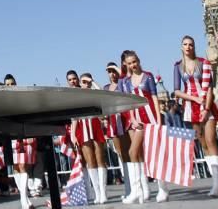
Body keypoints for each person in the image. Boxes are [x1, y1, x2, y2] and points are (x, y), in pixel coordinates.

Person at [173, 35, 218, 197]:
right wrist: (194, 99)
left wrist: (206, 107)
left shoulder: (203, 62)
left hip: (206, 104)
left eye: (191, 44)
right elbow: (177, 90)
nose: (188, 47)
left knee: (210, 139)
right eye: (185, 44)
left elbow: (208, 88)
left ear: (194, 46)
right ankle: (216, 180)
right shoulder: (178, 66)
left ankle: (217, 183)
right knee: (203, 143)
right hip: (191, 105)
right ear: (181, 47)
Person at [118, 51, 161, 203]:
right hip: (137, 120)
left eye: (134, 61)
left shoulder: (148, 76)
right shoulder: (126, 81)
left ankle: (161, 188)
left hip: (149, 117)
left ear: (138, 60)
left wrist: (159, 119)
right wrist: (132, 119)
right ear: (125, 64)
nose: (132, 65)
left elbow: (154, 97)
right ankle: (139, 190)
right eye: (129, 63)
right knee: (134, 151)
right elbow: (128, 103)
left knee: (152, 152)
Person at [65, 70, 108, 204]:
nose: (74, 81)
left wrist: (91, 81)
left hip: (95, 125)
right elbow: (74, 118)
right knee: (90, 162)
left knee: (100, 159)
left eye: (76, 79)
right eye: (70, 79)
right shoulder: (72, 96)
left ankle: (104, 193)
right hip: (82, 129)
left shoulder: (91, 91)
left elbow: (102, 93)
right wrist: (73, 135)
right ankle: (97, 193)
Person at [104, 62, 131, 197]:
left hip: (125, 120)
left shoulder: (123, 83)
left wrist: (118, 70)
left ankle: (132, 183)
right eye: (109, 71)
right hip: (113, 123)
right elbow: (101, 96)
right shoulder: (107, 87)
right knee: (120, 153)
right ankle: (127, 183)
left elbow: (126, 78)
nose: (112, 74)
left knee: (128, 152)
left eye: (113, 71)